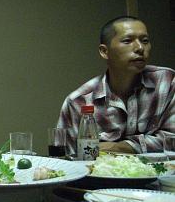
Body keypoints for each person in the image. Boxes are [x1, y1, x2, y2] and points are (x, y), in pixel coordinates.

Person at [58, 16, 174, 155]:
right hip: (100, 175)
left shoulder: (167, 81)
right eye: (127, 41)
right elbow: (66, 158)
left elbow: (172, 140)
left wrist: (121, 147)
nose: (139, 48)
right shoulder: (79, 101)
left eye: (145, 41)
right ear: (104, 51)